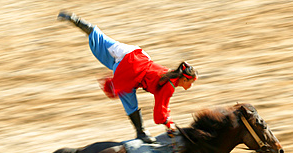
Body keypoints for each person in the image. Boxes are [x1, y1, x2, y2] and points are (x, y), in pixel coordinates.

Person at [57, 11, 198, 143]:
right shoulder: (169, 86)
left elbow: (162, 104)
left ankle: (77, 20)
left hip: (134, 54)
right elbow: (159, 112)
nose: (190, 86)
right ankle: (141, 132)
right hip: (131, 70)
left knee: (101, 39)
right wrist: (169, 123)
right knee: (129, 99)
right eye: (190, 82)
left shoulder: (170, 73)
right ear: (184, 79)